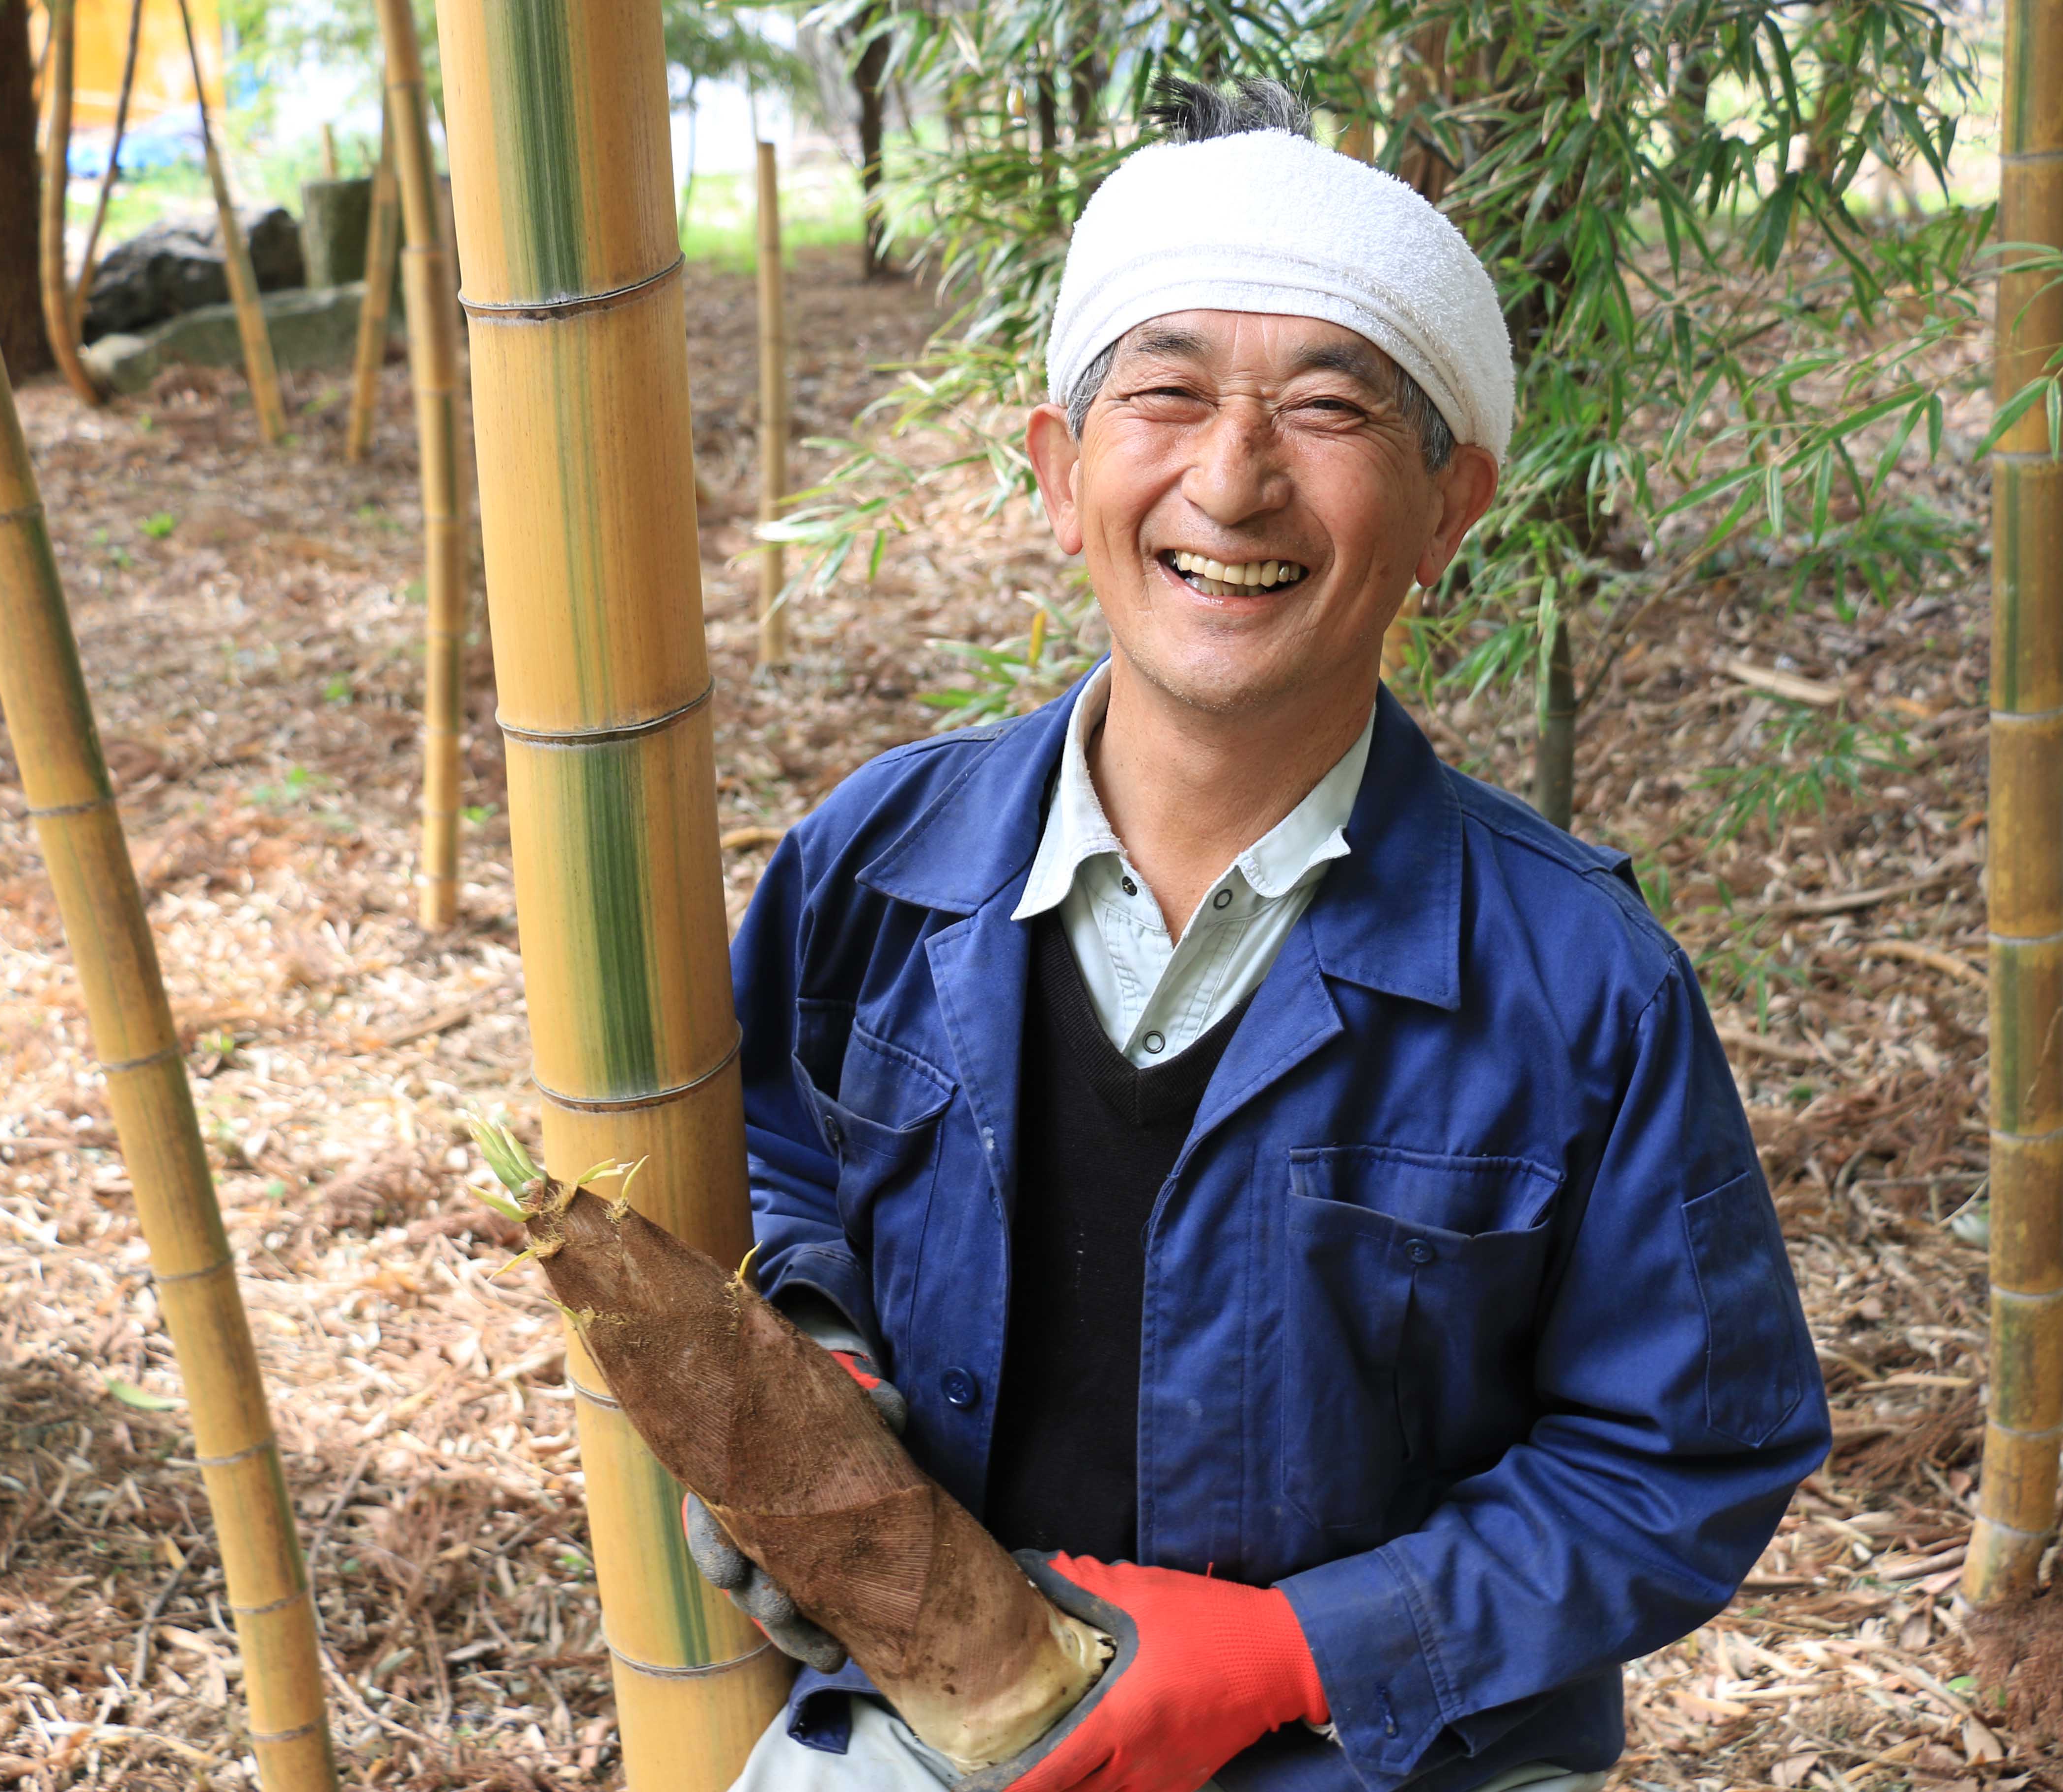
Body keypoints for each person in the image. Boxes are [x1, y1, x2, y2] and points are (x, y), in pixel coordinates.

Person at [701, 75, 1829, 1792]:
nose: (1232, 479)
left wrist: (1298, 1650)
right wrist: (815, 1358)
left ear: (1452, 508)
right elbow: (770, 1161)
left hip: (1398, 1749)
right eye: (1163, 392)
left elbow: (1684, 1455)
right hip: (948, 1716)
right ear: (1062, 470)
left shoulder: (1574, 982)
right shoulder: (875, 865)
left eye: (1327, 408)